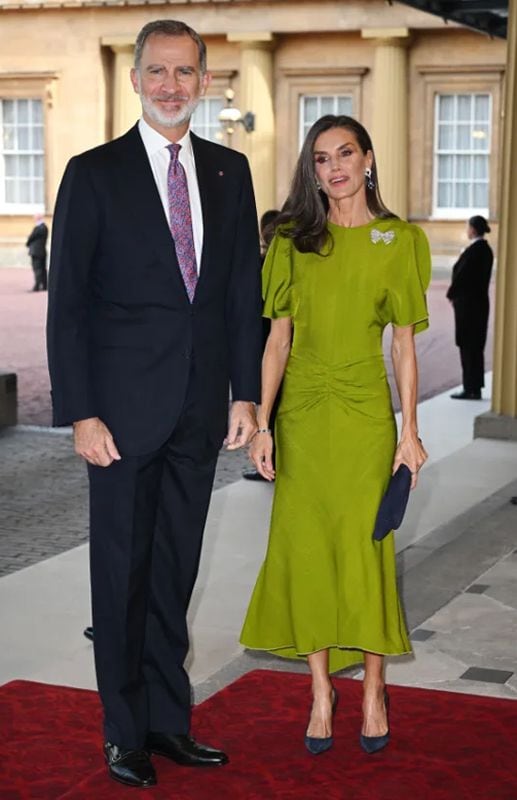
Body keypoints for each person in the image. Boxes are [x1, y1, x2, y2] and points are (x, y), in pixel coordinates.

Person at [47, 19, 262, 789]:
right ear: (137, 79)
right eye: (158, 72)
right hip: (120, 417)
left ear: (205, 81)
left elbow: (243, 298)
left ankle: (170, 723)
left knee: (174, 573)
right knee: (122, 575)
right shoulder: (94, 173)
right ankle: (123, 731)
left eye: (186, 72)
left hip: (199, 412)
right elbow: (67, 303)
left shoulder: (231, 175)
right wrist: (80, 412)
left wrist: (247, 396)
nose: (172, 86)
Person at [240, 115, 430, 756]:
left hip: (364, 419)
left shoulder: (397, 239)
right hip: (303, 415)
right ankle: (321, 691)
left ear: (368, 158)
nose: (334, 167)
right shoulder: (293, 239)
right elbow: (276, 340)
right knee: (307, 548)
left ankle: (374, 686)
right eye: (320, 159)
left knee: (364, 548)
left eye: (345, 153)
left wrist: (411, 432)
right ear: (311, 170)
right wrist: (263, 424)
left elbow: (404, 347)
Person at [243, 208, 281, 482]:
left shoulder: (264, 262)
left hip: (268, 338)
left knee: (271, 397)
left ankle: (273, 457)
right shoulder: (260, 261)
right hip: (266, 339)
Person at [446, 215, 493, 400]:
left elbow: (462, 276)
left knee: (468, 345)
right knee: (475, 346)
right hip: (478, 305)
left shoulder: (476, 250)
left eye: (468, 227)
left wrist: (452, 294)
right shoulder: (484, 250)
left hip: (469, 306)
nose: (466, 230)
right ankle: (475, 387)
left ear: (473, 229)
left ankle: (470, 388)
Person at [26, 213, 48, 291]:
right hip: (42, 251)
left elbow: (31, 237)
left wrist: (27, 242)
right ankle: (44, 285)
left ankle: (37, 285)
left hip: (36, 252)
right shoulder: (44, 227)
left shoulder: (39, 228)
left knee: (37, 268)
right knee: (42, 268)